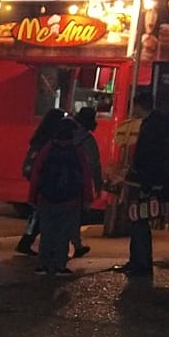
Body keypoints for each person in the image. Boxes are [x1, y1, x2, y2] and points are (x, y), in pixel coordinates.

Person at [115, 91, 169, 279]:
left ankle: (141, 263)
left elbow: (147, 157)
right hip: (149, 182)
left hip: (144, 184)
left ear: (139, 105)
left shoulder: (152, 126)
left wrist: (145, 183)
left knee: (138, 222)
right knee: (140, 222)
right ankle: (138, 261)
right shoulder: (158, 124)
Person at [27, 116, 94, 276]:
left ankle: (42, 265)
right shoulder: (77, 151)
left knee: (47, 231)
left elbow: (36, 173)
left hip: (46, 198)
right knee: (63, 233)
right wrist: (87, 198)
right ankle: (59, 265)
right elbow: (85, 175)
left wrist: (32, 197)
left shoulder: (48, 149)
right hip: (70, 200)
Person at [14, 108, 66, 256]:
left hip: (39, 179)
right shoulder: (49, 141)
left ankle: (28, 241)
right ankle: (29, 242)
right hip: (45, 180)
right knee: (42, 213)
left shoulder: (39, 138)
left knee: (39, 213)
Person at [70, 105, 100, 258]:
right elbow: (94, 164)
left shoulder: (67, 133)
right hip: (78, 183)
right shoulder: (88, 140)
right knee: (75, 216)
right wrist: (98, 185)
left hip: (61, 181)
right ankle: (75, 244)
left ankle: (51, 249)